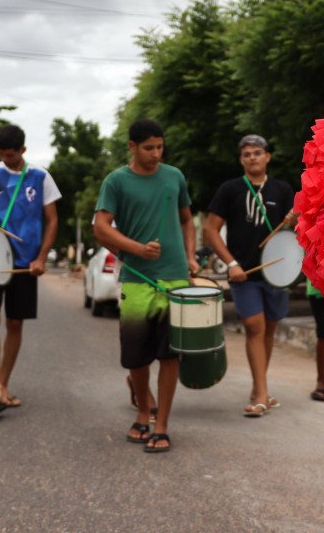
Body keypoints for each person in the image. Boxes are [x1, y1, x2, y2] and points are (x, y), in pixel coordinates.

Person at [93, 119, 198, 453]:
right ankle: (142, 411)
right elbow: (100, 226)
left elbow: (186, 219)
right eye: (149, 148)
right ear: (132, 147)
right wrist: (136, 249)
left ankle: (162, 423)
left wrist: (191, 256)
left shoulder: (174, 176)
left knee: (170, 355)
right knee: (137, 356)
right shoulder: (116, 181)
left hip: (175, 278)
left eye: (160, 147)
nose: (156, 154)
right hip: (137, 279)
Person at [203, 134, 296, 417]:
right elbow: (210, 229)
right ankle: (261, 393)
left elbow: (297, 232)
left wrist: (297, 219)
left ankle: (260, 389)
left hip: (275, 273)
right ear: (241, 160)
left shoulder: (282, 189)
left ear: (268, 156)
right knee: (254, 326)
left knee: (268, 329)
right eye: (246, 154)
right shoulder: (230, 189)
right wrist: (230, 263)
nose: (252, 158)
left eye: (257, 153)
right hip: (243, 272)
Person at [0, 124, 60, 416]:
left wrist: (42, 258)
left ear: (23, 150)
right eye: (2, 154)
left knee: (16, 323)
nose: (6, 159)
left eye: (11, 155)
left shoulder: (40, 176)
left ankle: (3, 386)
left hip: (25, 262)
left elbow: (52, 220)